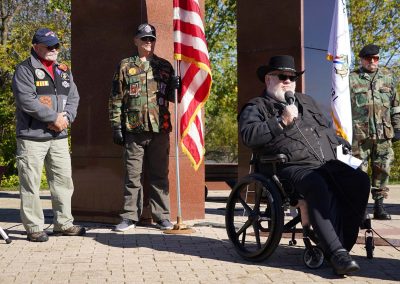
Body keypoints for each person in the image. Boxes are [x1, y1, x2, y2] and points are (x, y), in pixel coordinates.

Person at [239, 55, 370, 275]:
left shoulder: (307, 102)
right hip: (286, 167)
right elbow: (248, 135)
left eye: (292, 77)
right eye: (282, 76)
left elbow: (325, 128)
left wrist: (339, 141)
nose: (288, 80)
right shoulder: (257, 106)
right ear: (268, 79)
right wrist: (281, 121)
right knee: (316, 183)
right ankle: (336, 253)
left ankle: (343, 244)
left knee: (359, 180)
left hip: (324, 162)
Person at [12, 28, 85, 242]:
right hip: (31, 137)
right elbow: (27, 100)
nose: (54, 50)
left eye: (56, 46)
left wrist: (66, 119)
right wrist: (53, 118)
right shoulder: (24, 69)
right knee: (31, 184)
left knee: (63, 181)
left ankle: (63, 223)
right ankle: (34, 227)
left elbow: (74, 97)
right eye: (48, 46)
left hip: (59, 137)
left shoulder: (63, 69)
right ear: (36, 46)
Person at [109, 23, 180, 232]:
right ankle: (129, 217)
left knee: (159, 175)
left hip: (160, 128)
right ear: (135, 40)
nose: (148, 42)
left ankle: (162, 217)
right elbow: (115, 97)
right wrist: (116, 126)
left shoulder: (165, 66)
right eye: (144, 38)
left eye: (151, 39)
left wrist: (178, 87)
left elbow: (172, 98)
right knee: (133, 176)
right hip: (134, 128)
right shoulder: (125, 65)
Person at [350, 44, 400, 220]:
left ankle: (379, 206)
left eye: (376, 58)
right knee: (359, 173)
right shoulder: (351, 79)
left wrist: (398, 128)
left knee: (382, 169)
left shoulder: (388, 78)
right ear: (362, 59)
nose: (372, 61)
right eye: (368, 58)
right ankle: (362, 208)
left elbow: (395, 106)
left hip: (383, 134)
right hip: (360, 136)